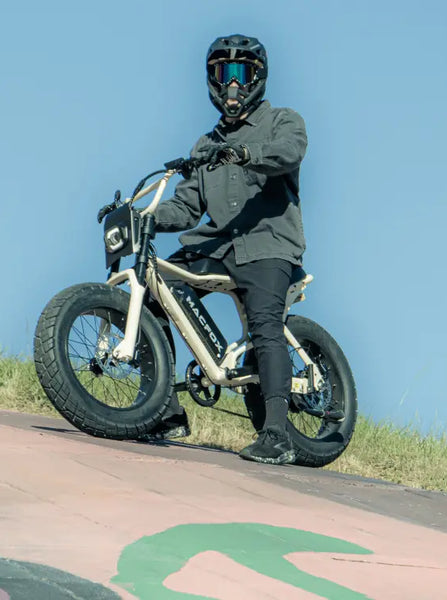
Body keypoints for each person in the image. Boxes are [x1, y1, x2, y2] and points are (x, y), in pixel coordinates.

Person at [140, 34, 308, 466]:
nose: (231, 84)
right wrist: (147, 217)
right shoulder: (205, 145)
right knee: (156, 294)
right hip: (215, 243)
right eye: (222, 74)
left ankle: (278, 433)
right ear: (211, 80)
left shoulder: (283, 121)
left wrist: (244, 152)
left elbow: (286, 154)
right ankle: (161, 409)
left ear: (258, 77)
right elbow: (187, 206)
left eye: (241, 74)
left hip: (267, 243)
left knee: (265, 325)